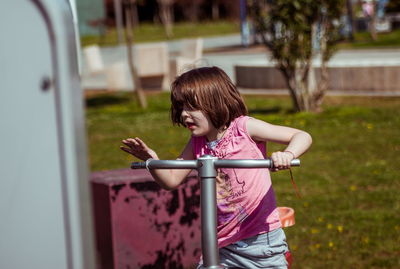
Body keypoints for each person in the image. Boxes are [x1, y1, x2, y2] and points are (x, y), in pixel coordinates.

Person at [120, 66, 312, 268]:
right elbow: (172, 179)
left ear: (214, 101)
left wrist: (287, 155)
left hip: (260, 242)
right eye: (180, 107)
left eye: (191, 107)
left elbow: (301, 136)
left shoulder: (244, 128)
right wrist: (152, 161)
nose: (184, 115)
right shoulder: (197, 143)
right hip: (221, 242)